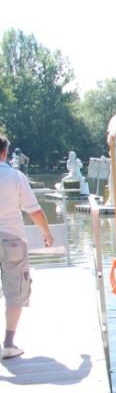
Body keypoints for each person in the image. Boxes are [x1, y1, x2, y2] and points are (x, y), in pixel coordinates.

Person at [0, 135, 52, 359]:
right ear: (5, 153)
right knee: (15, 293)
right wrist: (46, 232)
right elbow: (34, 210)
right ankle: (8, 344)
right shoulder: (15, 177)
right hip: (12, 238)